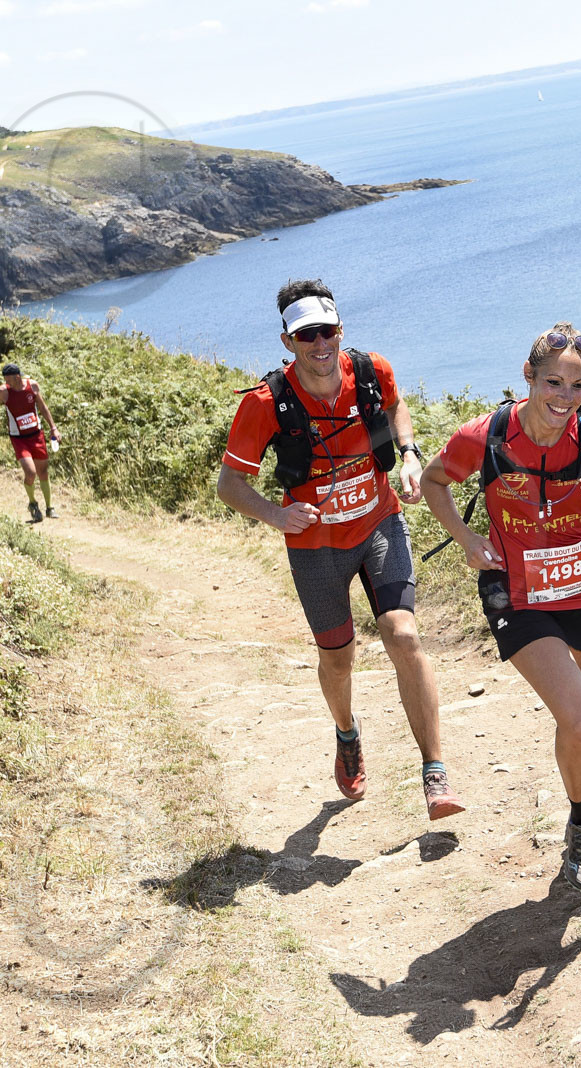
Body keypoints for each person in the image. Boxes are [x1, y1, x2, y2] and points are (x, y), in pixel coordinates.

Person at [217, 278, 464, 821]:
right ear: (288, 342)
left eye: (326, 331)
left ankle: (435, 772)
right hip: (316, 547)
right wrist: (277, 515)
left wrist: (409, 455)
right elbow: (229, 485)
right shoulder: (266, 403)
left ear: (340, 330)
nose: (319, 344)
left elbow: (395, 408)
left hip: (379, 524)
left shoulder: (372, 371)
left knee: (403, 635)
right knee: (339, 657)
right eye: (306, 335)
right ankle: (347, 733)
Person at [422, 322, 581, 890]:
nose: (565, 397)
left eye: (577, 386)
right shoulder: (487, 435)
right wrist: (465, 538)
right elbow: (433, 480)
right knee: (579, 719)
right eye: (553, 382)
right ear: (528, 376)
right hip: (518, 592)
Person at [0, 363, 60, 523]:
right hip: (19, 439)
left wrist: (53, 428)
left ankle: (50, 508)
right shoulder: (3, 392)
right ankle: (33, 504)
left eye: (7, 379)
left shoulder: (32, 386)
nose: (5, 382)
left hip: (36, 435)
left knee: (43, 472)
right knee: (31, 472)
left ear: (17, 377)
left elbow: (43, 407)